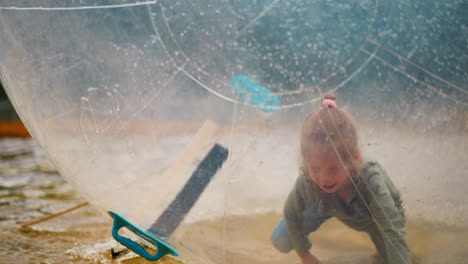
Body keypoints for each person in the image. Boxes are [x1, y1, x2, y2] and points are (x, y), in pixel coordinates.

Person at [270, 93, 411, 264]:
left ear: (355, 158)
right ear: (306, 162)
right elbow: (291, 213)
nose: (324, 178)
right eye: (315, 168)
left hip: (372, 217)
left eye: (334, 168)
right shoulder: (308, 178)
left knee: (391, 258)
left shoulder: (370, 180)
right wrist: (305, 255)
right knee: (281, 240)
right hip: (327, 204)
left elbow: (393, 231)